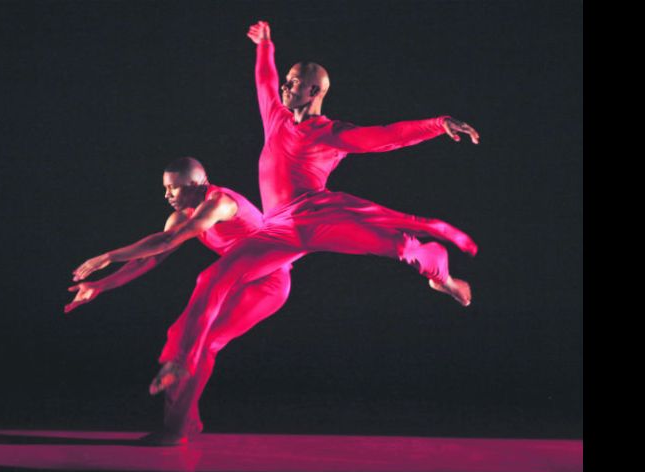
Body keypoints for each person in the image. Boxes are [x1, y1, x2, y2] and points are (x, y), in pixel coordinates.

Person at [149, 21, 481, 402]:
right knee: (211, 279)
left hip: (318, 218)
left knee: (402, 246)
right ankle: (178, 361)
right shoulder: (276, 119)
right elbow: (263, 81)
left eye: (293, 82)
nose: (285, 87)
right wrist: (265, 46)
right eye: (287, 81)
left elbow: (388, 136)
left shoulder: (332, 134)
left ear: (315, 91)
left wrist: (438, 124)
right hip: (277, 231)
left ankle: (443, 277)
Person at [67, 157, 292, 445]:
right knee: (180, 338)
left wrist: (108, 256)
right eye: (165, 188)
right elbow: (150, 258)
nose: (167, 195)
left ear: (197, 185)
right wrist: (101, 285)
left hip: (268, 282)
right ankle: (187, 423)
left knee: (203, 344)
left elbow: (165, 242)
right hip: (234, 281)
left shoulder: (220, 203)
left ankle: (177, 431)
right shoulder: (181, 215)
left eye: (174, 188)